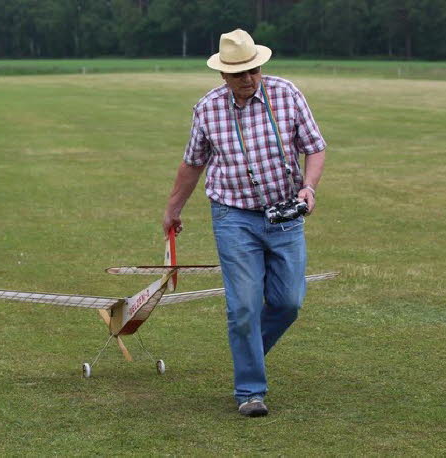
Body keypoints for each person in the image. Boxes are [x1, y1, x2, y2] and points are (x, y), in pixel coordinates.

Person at [162, 29, 327, 417]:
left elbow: (315, 148)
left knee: (288, 302)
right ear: (223, 75)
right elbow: (193, 163)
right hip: (232, 215)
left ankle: (248, 353)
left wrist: (309, 187)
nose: (248, 79)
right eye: (239, 74)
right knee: (243, 308)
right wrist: (173, 209)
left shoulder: (287, 94)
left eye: (253, 70)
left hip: (285, 213)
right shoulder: (207, 109)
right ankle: (250, 390)